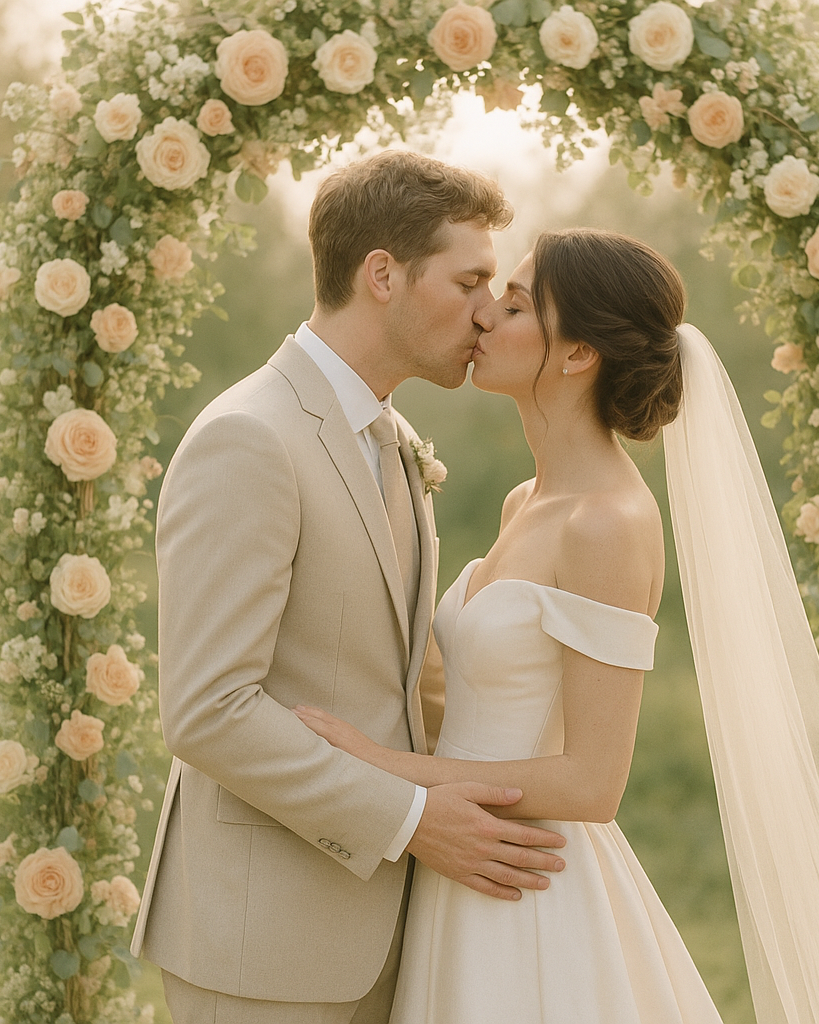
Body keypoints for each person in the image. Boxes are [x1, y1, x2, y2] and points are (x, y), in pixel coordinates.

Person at [294, 228, 819, 1024]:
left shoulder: (608, 524)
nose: (485, 316)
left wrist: (382, 770)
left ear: (578, 354)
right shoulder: (525, 503)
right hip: (466, 868)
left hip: (530, 896)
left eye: (516, 305)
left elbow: (593, 782)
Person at [130, 151, 569, 1024]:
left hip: (395, 930)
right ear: (382, 275)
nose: (489, 310)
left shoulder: (390, 437)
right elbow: (209, 709)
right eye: (470, 279)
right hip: (265, 946)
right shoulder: (249, 439)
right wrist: (410, 819)